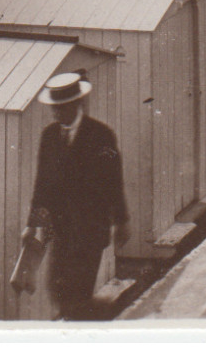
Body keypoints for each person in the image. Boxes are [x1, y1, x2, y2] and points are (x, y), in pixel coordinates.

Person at [22, 72, 130, 320]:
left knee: (77, 292)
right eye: (53, 108)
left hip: (91, 230)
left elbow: (114, 182)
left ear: (76, 104)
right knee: (57, 287)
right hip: (61, 229)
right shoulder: (49, 137)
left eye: (61, 108)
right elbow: (42, 186)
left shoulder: (101, 135)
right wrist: (32, 224)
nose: (56, 114)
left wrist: (122, 221)